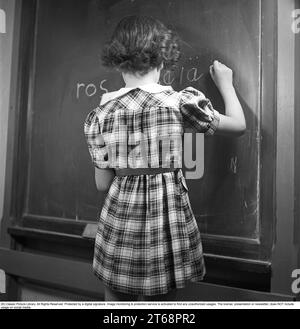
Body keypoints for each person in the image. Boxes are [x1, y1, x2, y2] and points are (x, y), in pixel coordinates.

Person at [84, 15, 246, 301]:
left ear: (119, 62)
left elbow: (101, 184)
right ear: (162, 61)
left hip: (119, 225)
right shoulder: (180, 103)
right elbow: (238, 126)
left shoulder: (101, 115)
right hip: (166, 225)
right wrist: (226, 85)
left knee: (115, 295)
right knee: (161, 299)